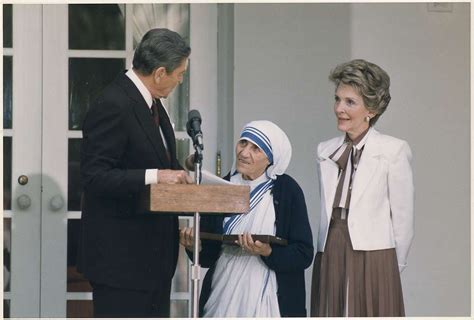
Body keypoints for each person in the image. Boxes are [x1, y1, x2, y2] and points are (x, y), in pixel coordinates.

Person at [77, 28, 193, 318]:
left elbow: (157, 158)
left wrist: (183, 171)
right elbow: (95, 177)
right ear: (159, 72)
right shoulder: (114, 104)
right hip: (121, 264)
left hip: (152, 262)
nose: (180, 81)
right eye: (179, 74)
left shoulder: (152, 103)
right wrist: (156, 175)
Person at [311, 59, 414, 317]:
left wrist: (391, 264)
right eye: (337, 99)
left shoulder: (394, 150)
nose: (339, 109)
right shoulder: (325, 151)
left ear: (371, 109)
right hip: (331, 246)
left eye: (349, 102)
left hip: (376, 253)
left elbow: (403, 219)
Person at [180, 120, 314, 317]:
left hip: (272, 299)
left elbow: (303, 253)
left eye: (256, 148)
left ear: (271, 158)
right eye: (243, 143)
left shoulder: (288, 191)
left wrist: (268, 251)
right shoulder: (220, 187)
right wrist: (194, 247)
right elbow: (208, 256)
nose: (244, 153)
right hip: (223, 293)